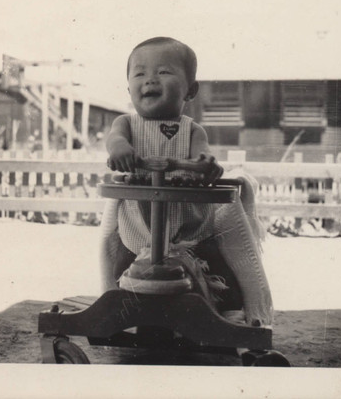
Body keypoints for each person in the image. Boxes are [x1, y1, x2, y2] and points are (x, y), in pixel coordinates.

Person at [101, 37, 273, 326]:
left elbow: (202, 156)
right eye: (140, 73)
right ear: (128, 86)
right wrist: (119, 150)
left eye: (164, 72)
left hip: (189, 225)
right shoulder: (126, 125)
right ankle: (112, 302)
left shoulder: (192, 130)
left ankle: (230, 308)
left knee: (217, 264)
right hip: (138, 223)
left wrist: (205, 164)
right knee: (121, 264)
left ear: (190, 90)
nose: (150, 80)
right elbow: (115, 140)